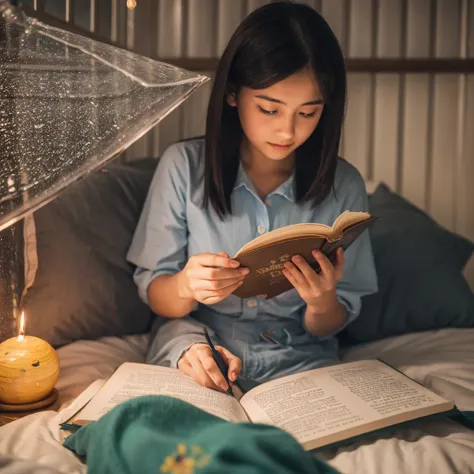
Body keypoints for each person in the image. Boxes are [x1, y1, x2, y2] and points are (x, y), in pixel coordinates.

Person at [127, 0, 378, 393]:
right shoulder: (183, 168)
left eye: (308, 113)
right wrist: (186, 286)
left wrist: (323, 300)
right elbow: (157, 296)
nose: (288, 132)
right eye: (269, 109)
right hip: (199, 344)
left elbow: (333, 321)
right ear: (232, 94)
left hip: (299, 353)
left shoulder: (343, 184)